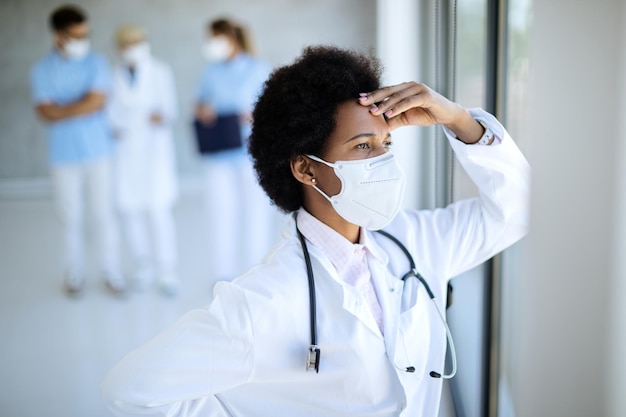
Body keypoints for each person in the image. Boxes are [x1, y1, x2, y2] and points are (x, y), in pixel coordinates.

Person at [101, 46, 530, 416]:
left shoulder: (418, 242)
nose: (382, 160)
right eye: (363, 146)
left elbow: (517, 210)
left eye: (386, 144)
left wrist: (457, 119)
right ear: (307, 168)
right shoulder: (261, 301)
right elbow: (130, 392)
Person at [30, 4, 125, 296]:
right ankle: (74, 274)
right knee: (69, 217)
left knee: (103, 215)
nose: (82, 41)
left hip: (99, 152)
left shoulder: (96, 62)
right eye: (75, 35)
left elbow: (97, 101)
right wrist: (82, 104)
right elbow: (45, 112)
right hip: (64, 157)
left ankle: (112, 272)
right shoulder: (41, 70)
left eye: (86, 34)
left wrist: (64, 107)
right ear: (58, 36)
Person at [195, 17, 276, 280]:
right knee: (220, 214)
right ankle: (223, 275)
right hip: (219, 152)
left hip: (249, 153)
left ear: (230, 38)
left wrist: (252, 115)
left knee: (255, 214)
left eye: (214, 38)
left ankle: (255, 274)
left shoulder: (257, 68)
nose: (211, 44)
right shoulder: (211, 71)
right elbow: (199, 102)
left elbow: (272, 109)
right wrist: (203, 109)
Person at [108, 25, 180, 296]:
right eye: (126, 44)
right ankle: (144, 267)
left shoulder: (160, 71)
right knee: (131, 211)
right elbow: (110, 117)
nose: (132, 48)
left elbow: (168, 112)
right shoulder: (112, 75)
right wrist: (136, 118)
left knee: (158, 211)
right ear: (119, 48)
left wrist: (143, 118)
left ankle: (167, 271)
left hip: (154, 153)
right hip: (126, 153)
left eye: (136, 42)